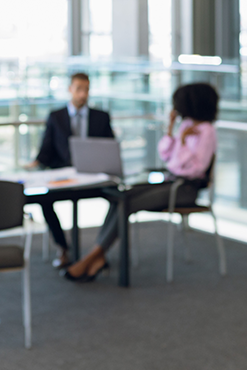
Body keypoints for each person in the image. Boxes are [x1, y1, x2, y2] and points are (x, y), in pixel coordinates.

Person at [63, 82, 218, 282]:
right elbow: (166, 155)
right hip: (171, 181)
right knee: (121, 195)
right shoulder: (187, 126)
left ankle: (93, 256)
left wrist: (182, 143)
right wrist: (171, 129)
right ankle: (98, 255)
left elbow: (194, 168)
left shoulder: (206, 131)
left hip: (186, 189)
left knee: (128, 203)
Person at [29, 73, 114, 268]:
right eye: (79, 89)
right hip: (64, 175)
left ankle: (98, 250)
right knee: (44, 199)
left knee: (119, 198)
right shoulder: (56, 117)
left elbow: (109, 148)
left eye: (86, 89)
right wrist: (35, 163)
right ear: (70, 89)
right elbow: (46, 150)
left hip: (93, 175)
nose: (83, 94)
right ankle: (63, 247)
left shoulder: (101, 117)